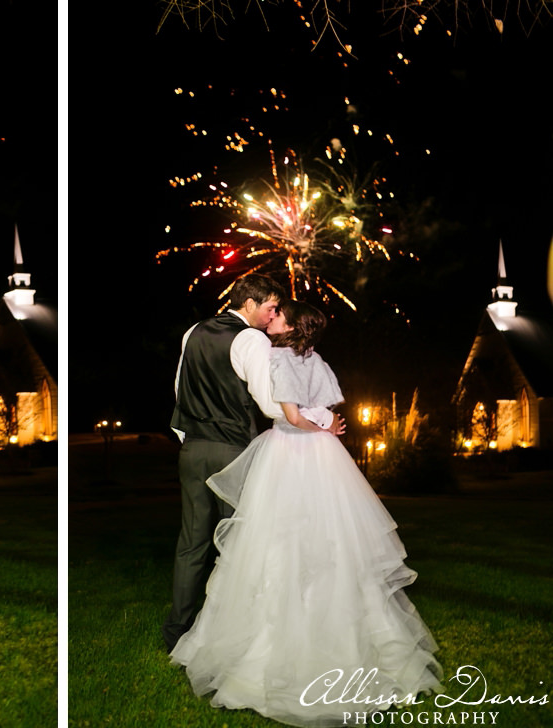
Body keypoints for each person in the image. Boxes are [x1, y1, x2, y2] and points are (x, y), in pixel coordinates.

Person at [170, 300, 442, 727]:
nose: (270, 319)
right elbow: (328, 407)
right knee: (330, 539)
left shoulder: (275, 357)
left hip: (290, 452)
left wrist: (314, 424)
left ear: (293, 325)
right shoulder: (316, 358)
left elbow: (291, 416)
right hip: (324, 457)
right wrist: (328, 428)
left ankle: (268, 650)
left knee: (276, 539)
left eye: (278, 315)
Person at [162, 274, 339, 652]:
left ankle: (176, 631)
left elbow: (180, 390)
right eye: (271, 307)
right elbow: (269, 402)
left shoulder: (193, 331)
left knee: (191, 543)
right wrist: (315, 420)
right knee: (244, 542)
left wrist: (187, 437)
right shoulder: (251, 339)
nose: (273, 315)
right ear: (250, 304)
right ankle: (240, 632)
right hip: (233, 453)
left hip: (192, 450)